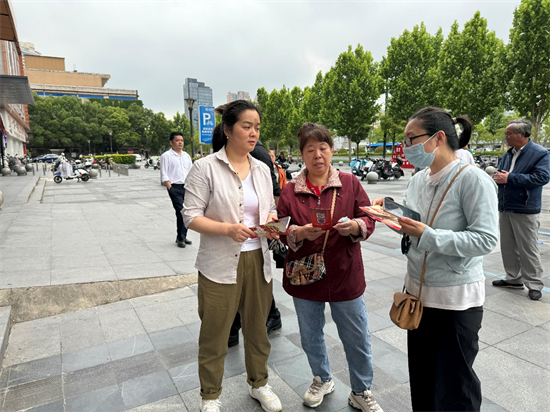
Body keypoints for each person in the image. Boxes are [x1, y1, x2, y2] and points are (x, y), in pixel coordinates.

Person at [374, 107, 498, 411]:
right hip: (417, 297)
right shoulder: (418, 180)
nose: (405, 148)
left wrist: (428, 235)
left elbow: (486, 239)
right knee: (423, 379)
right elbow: (415, 223)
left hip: (456, 302)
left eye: (411, 139)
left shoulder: (474, 181)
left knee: (456, 386)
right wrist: (392, 215)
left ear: (438, 137)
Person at [183, 100, 282, 412]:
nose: (253, 133)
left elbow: (270, 209)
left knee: (257, 329)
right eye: (246, 126)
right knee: (215, 332)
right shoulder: (205, 168)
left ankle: (260, 385)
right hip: (219, 264)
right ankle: (210, 396)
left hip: (258, 259)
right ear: (228, 130)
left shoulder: (263, 169)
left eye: (257, 127)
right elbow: (190, 217)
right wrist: (227, 229)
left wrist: (274, 225)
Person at [278, 123, 383, 412]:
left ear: (332, 150)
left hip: (345, 271)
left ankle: (361, 390)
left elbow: (369, 217)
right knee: (310, 332)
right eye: (310, 149)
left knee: (356, 334)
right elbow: (280, 227)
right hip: (305, 273)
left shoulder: (349, 183)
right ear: (301, 154)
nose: (317, 155)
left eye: (322, 148)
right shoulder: (290, 191)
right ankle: (322, 378)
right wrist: (298, 234)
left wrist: (355, 226)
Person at [492, 119, 549, 300]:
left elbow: (542, 177)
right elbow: (503, 174)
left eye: (509, 134)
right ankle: (513, 278)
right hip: (505, 205)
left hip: (525, 207)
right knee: (508, 246)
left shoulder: (539, 153)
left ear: (522, 134)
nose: (506, 137)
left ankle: (534, 283)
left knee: (528, 248)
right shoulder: (508, 154)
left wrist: (511, 178)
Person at [160, 132, 193, 248]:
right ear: (171, 142)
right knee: (181, 212)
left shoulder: (186, 156)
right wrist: (169, 186)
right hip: (174, 187)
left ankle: (182, 236)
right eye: (177, 140)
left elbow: (191, 172)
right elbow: (164, 172)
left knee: (187, 212)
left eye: (182, 140)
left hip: (187, 187)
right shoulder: (166, 156)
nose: (180, 142)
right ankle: (180, 238)